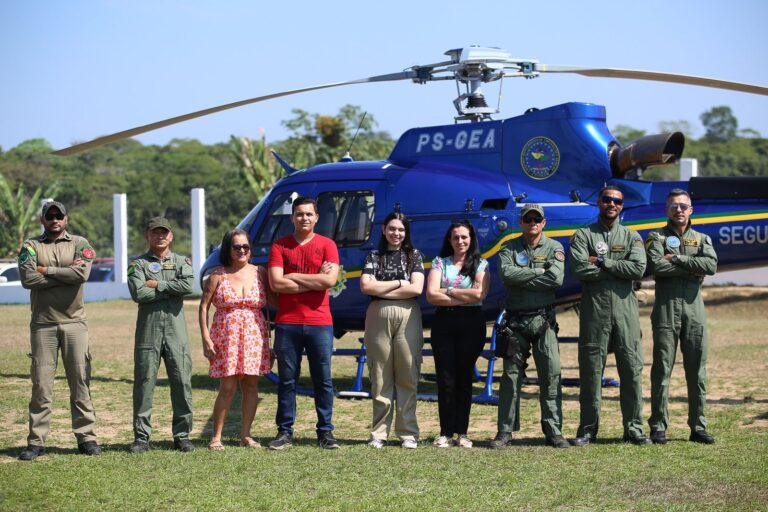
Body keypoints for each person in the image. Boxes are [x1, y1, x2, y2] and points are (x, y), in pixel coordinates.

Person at [17, 200, 101, 460]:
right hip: (43, 324)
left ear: (66, 219)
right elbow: (28, 279)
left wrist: (46, 271)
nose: (54, 219)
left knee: (80, 382)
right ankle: (36, 442)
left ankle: (86, 438)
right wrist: (64, 273)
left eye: (59, 216)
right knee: (41, 385)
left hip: (75, 323)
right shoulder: (31, 245)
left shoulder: (79, 243)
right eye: (49, 216)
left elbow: (82, 274)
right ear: (43, 220)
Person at [569, 186, 650, 446]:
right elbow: (581, 269)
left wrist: (603, 262)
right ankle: (587, 429)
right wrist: (618, 268)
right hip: (595, 310)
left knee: (631, 369)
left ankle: (634, 429)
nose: (612, 204)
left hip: (626, 311)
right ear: (599, 203)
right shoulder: (583, 235)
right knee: (591, 371)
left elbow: (638, 268)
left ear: (622, 206)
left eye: (617, 201)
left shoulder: (632, 237)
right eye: (607, 200)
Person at [491, 204, 570, 449]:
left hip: (543, 320)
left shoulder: (555, 248)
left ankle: (553, 430)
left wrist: (524, 274)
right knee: (510, 377)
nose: (532, 223)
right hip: (516, 322)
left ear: (544, 222)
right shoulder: (508, 248)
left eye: (537, 219)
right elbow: (507, 276)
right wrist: (539, 271)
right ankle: (505, 431)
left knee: (552, 373)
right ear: (521, 222)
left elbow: (555, 279)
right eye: (528, 219)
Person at [267, 196, 340, 450]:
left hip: (320, 322)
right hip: (287, 323)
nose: (304, 218)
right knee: (288, 380)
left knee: (323, 379)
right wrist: (315, 278)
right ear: (292, 218)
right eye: (299, 214)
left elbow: (329, 282)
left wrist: (294, 277)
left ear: (316, 217)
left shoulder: (328, 245)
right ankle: (284, 432)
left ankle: (325, 432)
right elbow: (276, 283)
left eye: (309, 214)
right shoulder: (280, 246)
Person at [646, 189, 718, 445]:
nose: (679, 210)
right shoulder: (656, 237)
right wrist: (691, 267)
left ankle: (698, 427)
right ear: (667, 210)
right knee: (662, 369)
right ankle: (658, 427)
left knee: (697, 370)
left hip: (694, 309)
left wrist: (676, 258)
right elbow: (656, 267)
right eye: (674, 206)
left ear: (691, 210)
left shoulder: (702, 238)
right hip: (666, 309)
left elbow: (710, 266)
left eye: (683, 206)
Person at [199, 229, 274, 450]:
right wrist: (205, 337)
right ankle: (216, 437)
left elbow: (275, 299)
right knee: (228, 386)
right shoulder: (218, 275)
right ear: (228, 249)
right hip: (226, 335)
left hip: (254, 334)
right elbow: (203, 306)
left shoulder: (260, 272)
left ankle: (246, 435)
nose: (241, 250)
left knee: (251, 385)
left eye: (245, 247)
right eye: (236, 247)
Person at [127, 217, 195, 453]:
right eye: (155, 233)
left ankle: (182, 435)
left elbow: (188, 286)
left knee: (182, 381)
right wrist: (169, 288)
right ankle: (142, 437)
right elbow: (139, 293)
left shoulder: (181, 261)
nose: (160, 236)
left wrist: (158, 285)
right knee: (144, 383)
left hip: (176, 333)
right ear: (147, 235)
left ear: (171, 236)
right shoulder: (137, 264)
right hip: (148, 331)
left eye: (164, 232)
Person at [360, 212, 425, 449]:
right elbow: (366, 286)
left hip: (409, 314)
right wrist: (399, 283)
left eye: (401, 230)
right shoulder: (374, 256)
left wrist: (382, 288)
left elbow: (417, 288)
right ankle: (379, 433)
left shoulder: (413, 255)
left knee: (408, 372)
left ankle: (408, 432)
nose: (396, 234)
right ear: (384, 230)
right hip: (378, 314)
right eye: (392, 229)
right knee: (380, 375)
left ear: (405, 232)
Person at [426, 220, 490, 448]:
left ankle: (462, 432)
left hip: (471, 324)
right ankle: (445, 432)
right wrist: (463, 293)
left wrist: (449, 290)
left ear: (471, 238)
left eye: (464, 237)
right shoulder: (439, 263)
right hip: (444, 323)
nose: (460, 241)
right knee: (446, 378)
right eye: (455, 237)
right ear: (449, 240)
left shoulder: (481, 264)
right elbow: (431, 295)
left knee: (464, 377)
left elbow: (479, 295)